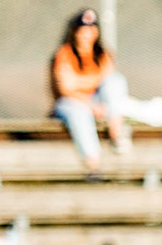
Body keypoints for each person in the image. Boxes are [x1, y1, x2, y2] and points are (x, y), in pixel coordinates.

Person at [52, 8, 130, 174]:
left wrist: (102, 105)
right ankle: (93, 164)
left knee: (116, 80)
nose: (87, 34)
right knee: (78, 113)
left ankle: (116, 130)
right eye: (83, 29)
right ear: (75, 32)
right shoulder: (65, 54)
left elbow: (110, 85)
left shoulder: (102, 54)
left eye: (91, 29)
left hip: (99, 103)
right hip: (73, 103)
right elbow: (66, 89)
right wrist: (90, 105)